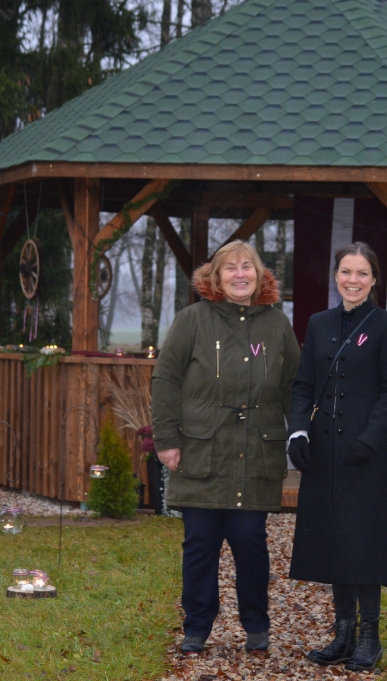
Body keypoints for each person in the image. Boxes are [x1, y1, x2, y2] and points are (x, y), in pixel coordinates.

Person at [151, 240, 300, 656]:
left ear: (259, 275)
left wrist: (304, 435)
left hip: (254, 453)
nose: (239, 274)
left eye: (247, 267)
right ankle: (197, 626)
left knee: (250, 541)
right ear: (215, 278)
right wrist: (166, 440)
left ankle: (256, 625)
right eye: (230, 268)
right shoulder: (193, 320)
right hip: (202, 452)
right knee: (200, 544)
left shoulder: (276, 325)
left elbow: (294, 387)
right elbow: (166, 380)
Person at [287, 242, 387, 672]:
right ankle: (343, 634)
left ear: (375, 280)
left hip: (365, 455)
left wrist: (369, 439)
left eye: (361, 273)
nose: (352, 280)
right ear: (335, 276)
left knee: (363, 542)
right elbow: (303, 385)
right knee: (334, 540)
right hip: (324, 452)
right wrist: (298, 431)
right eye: (345, 272)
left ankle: (370, 638)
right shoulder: (319, 324)